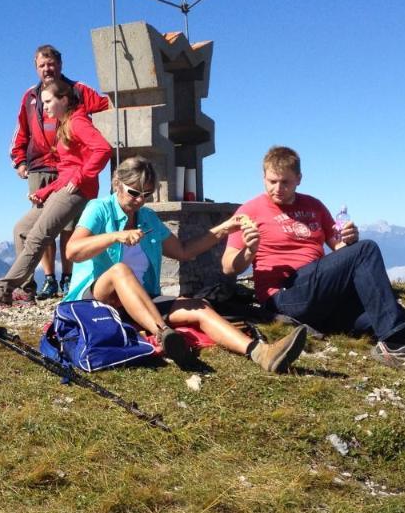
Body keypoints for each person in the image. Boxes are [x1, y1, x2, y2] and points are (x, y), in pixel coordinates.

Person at [221, 146, 405, 390]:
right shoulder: (250, 211)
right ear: (263, 178)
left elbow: (339, 251)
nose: (278, 188)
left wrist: (348, 240)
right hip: (286, 294)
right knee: (367, 253)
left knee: (397, 315)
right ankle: (394, 346)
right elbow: (228, 267)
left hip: (324, 296)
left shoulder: (314, 206)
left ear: (299, 179)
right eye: (271, 181)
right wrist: (250, 249)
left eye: (285, 182)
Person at [62, 156, 307, 372]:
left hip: (140, 301)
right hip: (95, 300)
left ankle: (261, 352)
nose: (139, 200)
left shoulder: (147, 217)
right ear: (117, 184)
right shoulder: (99, 209)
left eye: (146, 195)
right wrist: (115, 236)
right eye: (133, 193)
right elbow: (73, 251)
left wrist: (224, 228)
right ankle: (163, 334)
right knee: (120, 271)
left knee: (198, 306)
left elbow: (184, 251)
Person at [0, 77, 112, 307]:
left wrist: (81, 177)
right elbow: (68, 169)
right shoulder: (66, 123)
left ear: (64, 100)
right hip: (65, 187)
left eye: (48, 102)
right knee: (22, 230)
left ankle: (0, 291)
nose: (44, 107)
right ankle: (24, 291)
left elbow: (103, 149)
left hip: (77, 191)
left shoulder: (78, 122)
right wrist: (46, 190)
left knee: (38, 236)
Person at [9, 44, 110, 300]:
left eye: (51, 63)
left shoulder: (76, 90)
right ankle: (47, 280)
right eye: (42, 65)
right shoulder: (30, 97)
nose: (47, 69)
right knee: (41, 226)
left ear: (60, 64)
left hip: (72, 168)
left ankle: (67, 277)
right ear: (36, 68)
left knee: (68, 226)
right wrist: (19, 160)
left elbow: (106, 106)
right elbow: (22, 129)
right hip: (41, 166)